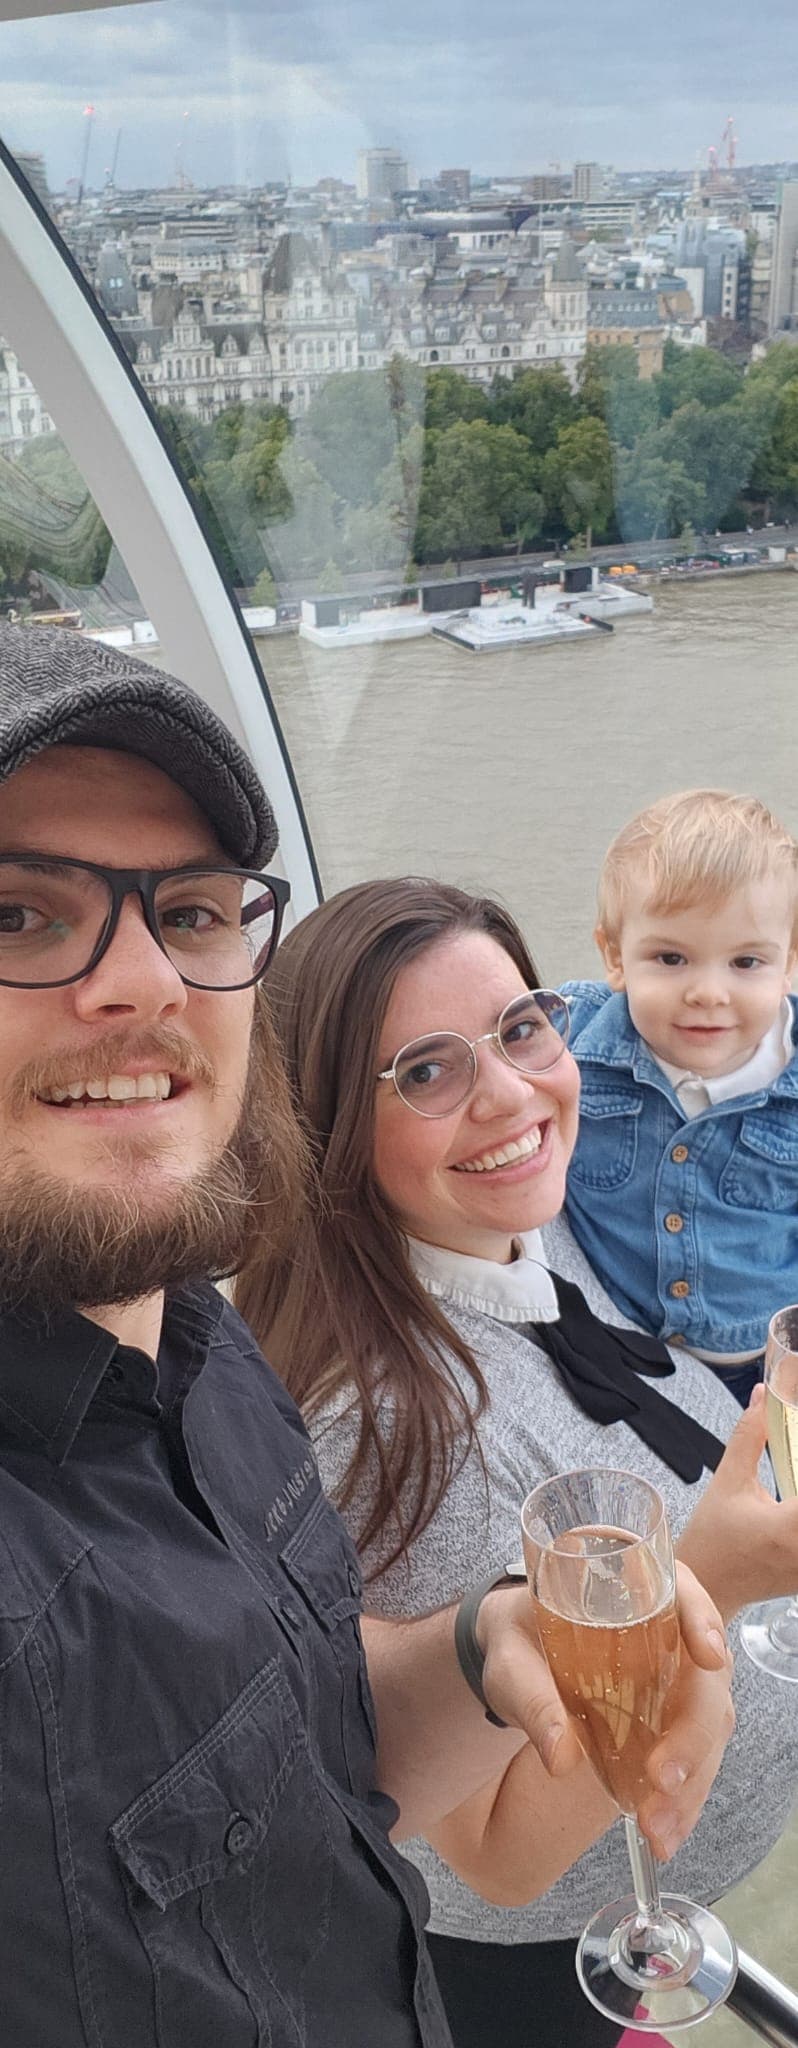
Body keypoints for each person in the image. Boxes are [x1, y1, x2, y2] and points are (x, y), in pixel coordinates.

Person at [0, 627, 731, 2048]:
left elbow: (306, 1748)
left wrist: (483, 1642)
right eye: (19, 913)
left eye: (191, 911)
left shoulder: (204, 1348)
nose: (145, 981)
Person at [236, 874, 798, 2048]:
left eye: (521, 1027)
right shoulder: (385, 1429)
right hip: (565, 1959)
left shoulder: (519, 1219)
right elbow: (497, 1853)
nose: (511, 1093)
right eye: (426, 1072)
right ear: (328, 1127)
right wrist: (715, 1576)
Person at [562, 788, 798, 1405]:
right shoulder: (573, 1040)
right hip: (615, 1351)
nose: (708, 993)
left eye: (746, 962)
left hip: (761, 1367)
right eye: (671, 958)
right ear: (614, 956)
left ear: (789, 962)